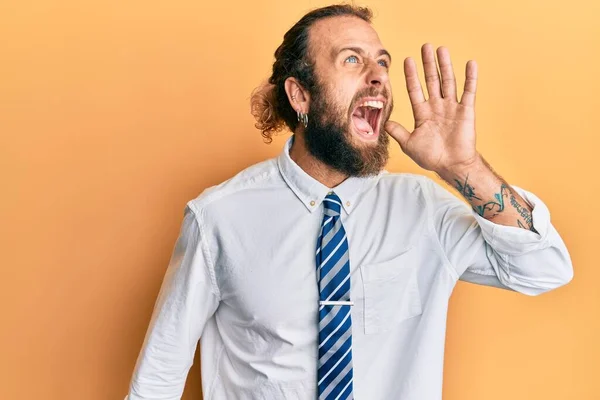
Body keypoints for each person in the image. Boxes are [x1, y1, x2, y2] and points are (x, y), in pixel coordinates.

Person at [125, 4, 573, 400]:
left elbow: (545, 269)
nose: (377, 75)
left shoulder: (423, 209)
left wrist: (464, 168)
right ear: (300, 94)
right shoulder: (218, 217)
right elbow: (159, 375)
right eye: (352, 60)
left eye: (381, 62)